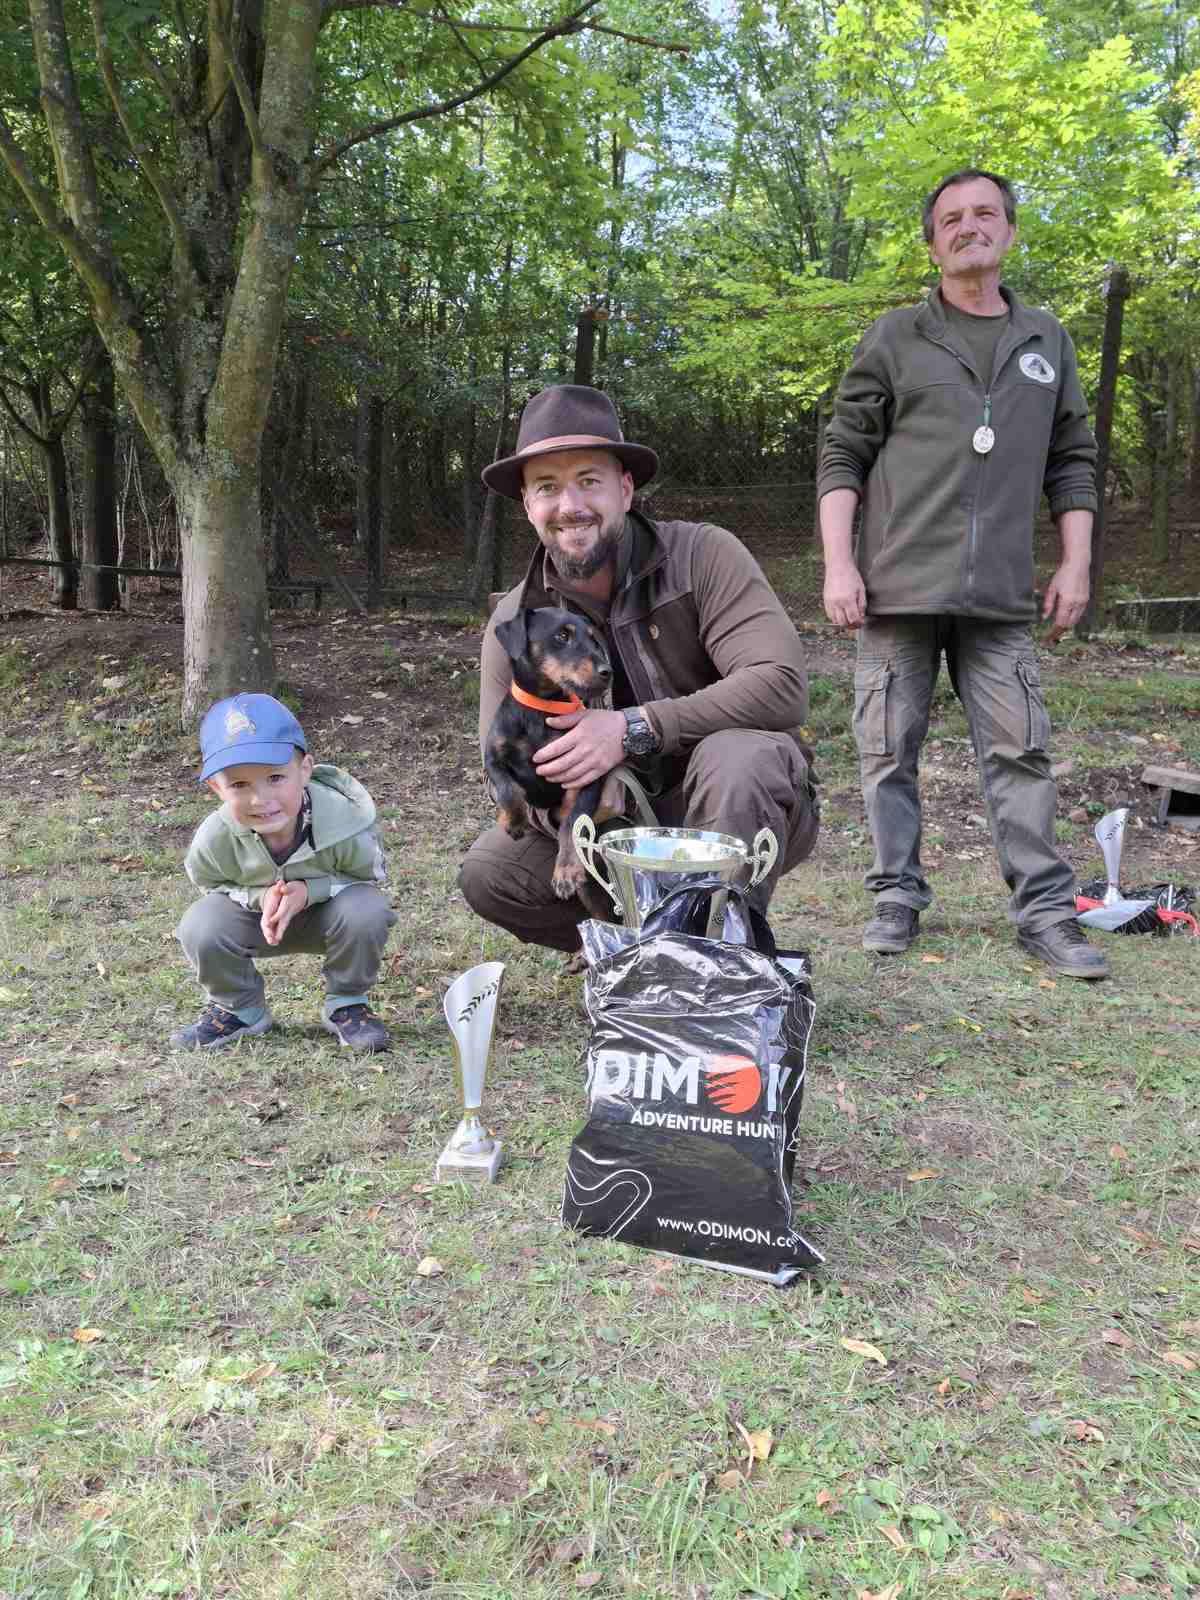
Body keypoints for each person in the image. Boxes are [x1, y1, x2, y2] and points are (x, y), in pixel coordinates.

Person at [818, 167, 1108, 979]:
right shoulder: (894, 336)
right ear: (933, 243)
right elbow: (843, 455)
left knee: (1022, 752)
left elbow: (1072, 461)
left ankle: (1046, 913)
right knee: (886, 751)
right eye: (951, 218)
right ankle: (895, 896)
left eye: (985, 213)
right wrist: (839, 565)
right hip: (896, 588)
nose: (968, 226)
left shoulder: (1047, 341)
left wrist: (1076, 563)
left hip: (1000, 598)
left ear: (1009, 231)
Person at [459, 384, 819, 952]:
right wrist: (580, 812)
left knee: (738, 759)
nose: (570, 505)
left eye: (589, 481)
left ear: (625, 489)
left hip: (726, 799)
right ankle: (638, 946)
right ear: (527, 504)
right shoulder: (515, 620)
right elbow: (498, 761)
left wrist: (631, 728)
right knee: (491, 874)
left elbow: (780, 683)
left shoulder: (703, 556)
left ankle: (711, 954)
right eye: (547, 487)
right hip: (605, 822)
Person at [172, 693, 395, 1051]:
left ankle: (347, 1004)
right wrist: (261, 897)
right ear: (216, 787)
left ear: (305, 770)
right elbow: (211, 885)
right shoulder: (214, 837)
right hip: (256, 922)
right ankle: (239, 1009)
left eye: (275, 777)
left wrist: (310, 891)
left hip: (330, 917)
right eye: (239, 785)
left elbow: (368, 879)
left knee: (367, 910)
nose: (260, 799)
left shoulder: (348, 821)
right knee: (201, 922)